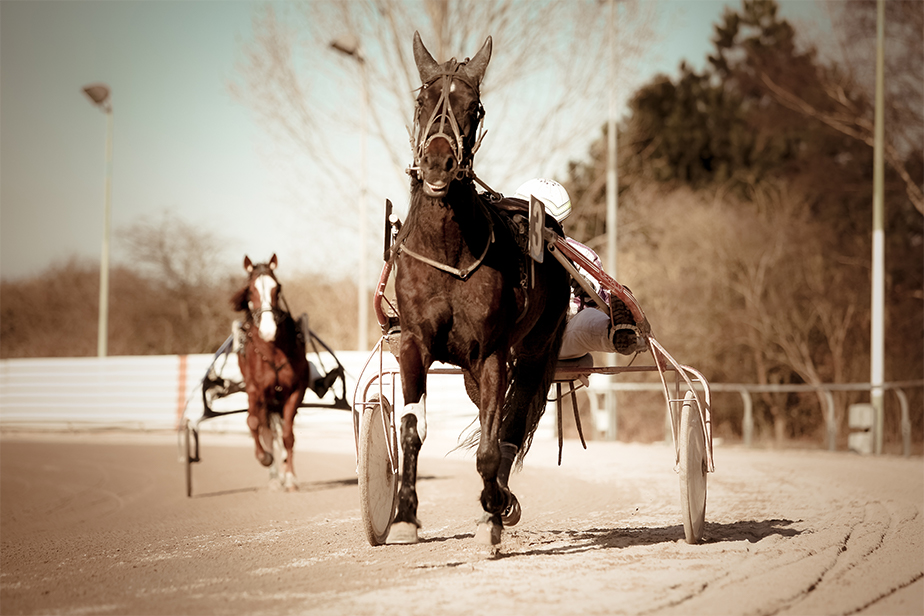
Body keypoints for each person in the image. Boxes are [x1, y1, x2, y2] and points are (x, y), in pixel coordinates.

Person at [512, 178, 640, 360]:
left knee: (587, 319)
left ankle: (618, 334)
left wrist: (589, 291)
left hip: (558, 337)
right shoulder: (501, 246)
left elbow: (600, 305)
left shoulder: (582, 255)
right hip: (508, 334)